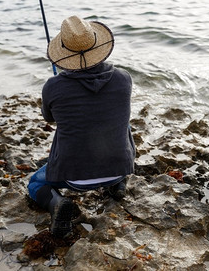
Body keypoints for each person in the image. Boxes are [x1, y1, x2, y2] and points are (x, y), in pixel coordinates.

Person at [27, 15, 136, 238]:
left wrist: (59, 88)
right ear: (98, 45)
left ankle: (57, 203)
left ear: (64, 53)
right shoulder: (124, 79)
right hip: (118, 168)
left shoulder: (53, 86)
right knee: (122, 124)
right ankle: (117, 184)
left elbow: (49, 119)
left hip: (73, 178)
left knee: (35, 185)